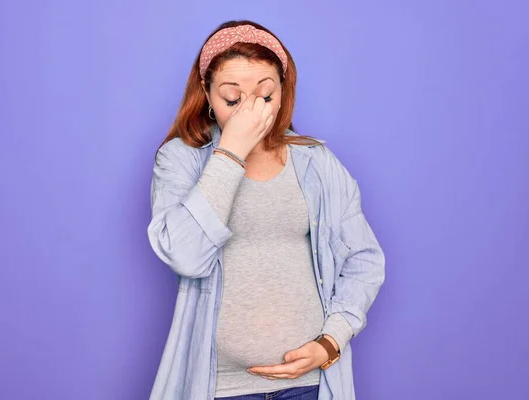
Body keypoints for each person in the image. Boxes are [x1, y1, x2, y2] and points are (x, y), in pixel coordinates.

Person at [147, 20, 386, 400]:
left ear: (283, 93)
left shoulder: (315, 162)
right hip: (219, 388)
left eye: (265, 96)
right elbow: (186, 256)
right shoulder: (179, 160)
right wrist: (231, 151)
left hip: (308, 386)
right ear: (207, 95)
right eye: (232, 98)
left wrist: (331, 342)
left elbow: (364, 258)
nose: (250, 110)